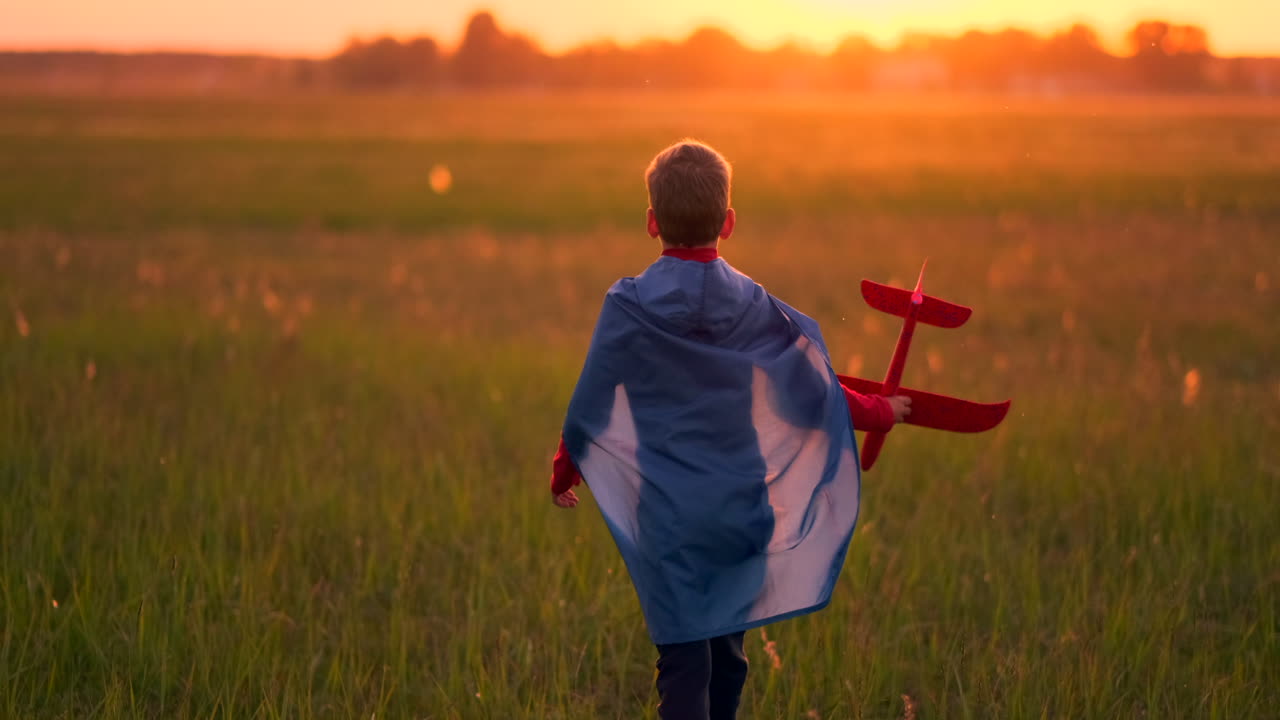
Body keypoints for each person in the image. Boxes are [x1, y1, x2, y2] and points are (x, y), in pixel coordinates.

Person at [549, 140, 910, 720]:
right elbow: (809, 397)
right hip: (742, 510)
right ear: (730, 222)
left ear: (650, 222)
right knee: (729, 654)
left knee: (685, 665)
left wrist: (565, 471)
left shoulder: (629, 305)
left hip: (668, 518)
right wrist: (879, 410)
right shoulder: (756, 306)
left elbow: (588, 405)